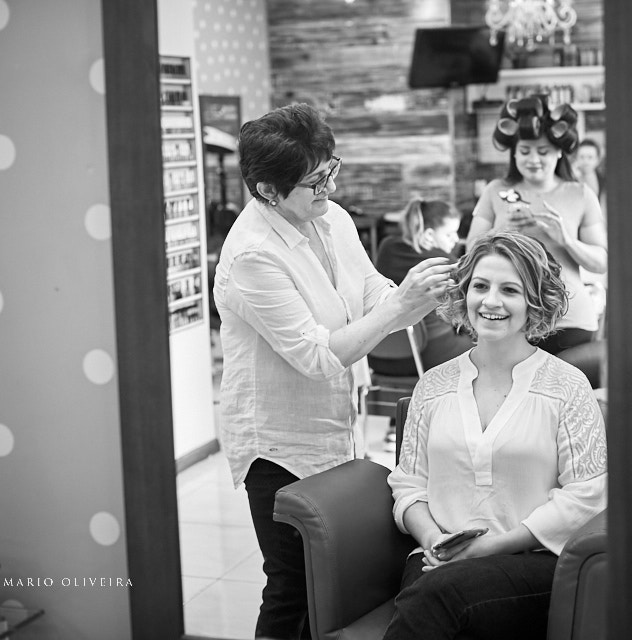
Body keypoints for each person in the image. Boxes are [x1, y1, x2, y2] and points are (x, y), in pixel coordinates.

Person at [212, 103, 453, 640]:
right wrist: (399, 308)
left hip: (336, 428)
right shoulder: (252, 256)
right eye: (315, 181)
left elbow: (370, 292)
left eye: (331, 170)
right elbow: (317, 357)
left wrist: (422, 297)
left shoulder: (331, 217)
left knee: (329, 583)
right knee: (291, 587)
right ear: (267, 190)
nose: (330, 187)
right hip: (278, 444)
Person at [382, 231, 608, 640]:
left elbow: (586, 495)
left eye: (510, 290)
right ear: (464, 293)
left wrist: (490, 547)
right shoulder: (432, 385)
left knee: (435, 597)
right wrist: (433, 540)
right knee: (435, 594)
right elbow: (409, 484)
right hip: (436, 558)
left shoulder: (567, 387)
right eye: (480, 286)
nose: (490, 301)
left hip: (532, 561)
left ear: (535, 302)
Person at [467, 95, 608, 355]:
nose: (533, 159)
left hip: (569, 320)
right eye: (524, 151)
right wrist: (501, 231)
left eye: (543, 152)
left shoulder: (580, 194)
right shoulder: (495, 191)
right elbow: (469, 253)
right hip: (508, 319)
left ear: (559, 152)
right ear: (514, 153)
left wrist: (566, 239)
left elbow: (601, 262)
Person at [372, 198, 474, 374]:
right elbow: (463, 315)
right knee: (486, 347)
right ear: (428, 235)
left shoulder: (387, 248)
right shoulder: (444, 263)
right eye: (450, 234)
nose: (456, 239)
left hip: (378, 355)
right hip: (429, 356)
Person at [573, 138, 607, 219]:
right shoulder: (571, 180)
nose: (586, 161)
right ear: (576, 158)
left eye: (590, 157)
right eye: (582, 157)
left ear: (597, 160)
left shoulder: (604, 180)